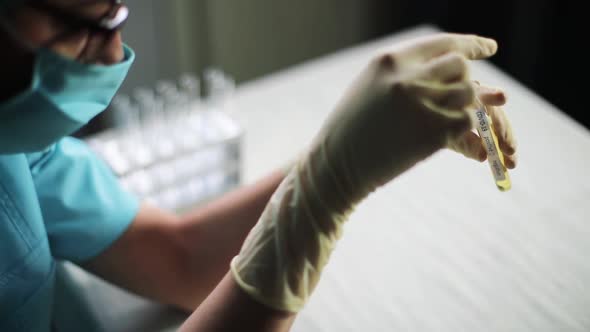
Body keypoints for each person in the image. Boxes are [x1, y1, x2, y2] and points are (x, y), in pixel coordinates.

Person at [0, 0, 518, 331]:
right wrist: (323, 195)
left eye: (116, 9)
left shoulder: (17, 143)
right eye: (81, 21)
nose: (116, 50)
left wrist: (341, 152)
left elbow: (178, 260)